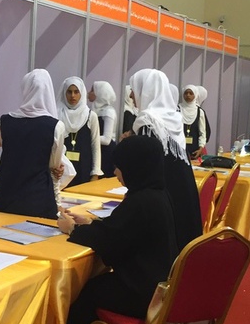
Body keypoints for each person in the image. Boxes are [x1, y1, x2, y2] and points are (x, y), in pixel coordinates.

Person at [59, 135, 178, 323]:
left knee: (82, 295)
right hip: (156, 284)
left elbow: (110, 241)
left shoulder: (140, 202)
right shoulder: (157, 194)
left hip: (140, 292)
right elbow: (122, 230)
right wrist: (91, 223)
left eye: (119, 166)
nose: (115, 172)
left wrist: (72, 228)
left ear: (133, 167)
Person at [127, 69, 202, 250]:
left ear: (147, 90)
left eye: (135, 89)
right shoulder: (174, 118)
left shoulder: (148, 122)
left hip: (162, 196)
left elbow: (144, 168)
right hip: (182, 189)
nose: (131, 94)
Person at [0, 69, 75, 219]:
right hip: (38, 200)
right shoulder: (55, 126)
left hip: (5, 197)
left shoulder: (5, 121)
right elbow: (54, 165)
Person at [57, 76, 102, 185]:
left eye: (76, 92)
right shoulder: (57, 114)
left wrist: (95, 173)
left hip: (84, 168)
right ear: (64, 93)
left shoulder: (91, 116)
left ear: (81, 93)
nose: (73, 96)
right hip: (63, 169)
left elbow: (95, 145)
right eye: (69, 92)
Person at [89, 81, 118, 178]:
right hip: (97, 149)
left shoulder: (108, 112)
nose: (90, 92)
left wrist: (87, 137)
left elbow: (106, 139)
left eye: (93, 90)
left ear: (100, 93)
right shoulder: (94, 110)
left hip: (106, 154)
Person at [180, 85, 206, 160]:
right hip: (180, 149)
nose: (188, 95)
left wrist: (201, 148)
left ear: (195, 95)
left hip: (195, 151)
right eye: (186, 93)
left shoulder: (199, 112)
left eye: (191, 93)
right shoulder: (177, 109)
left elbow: (202, 133)